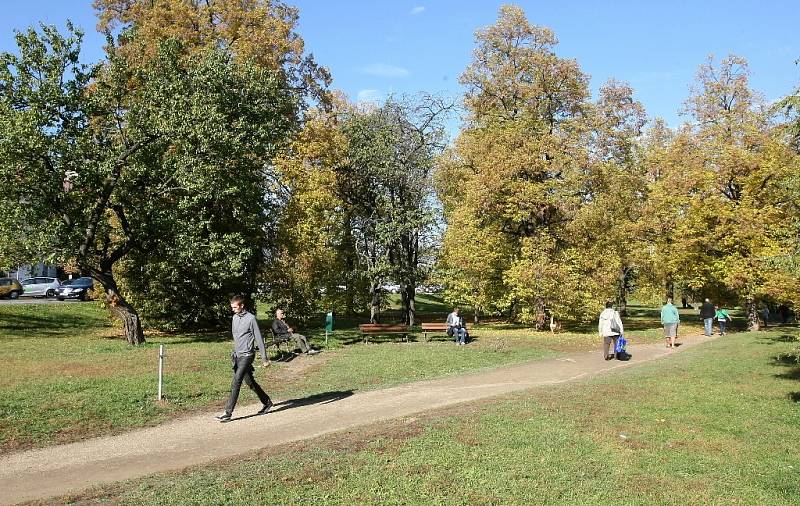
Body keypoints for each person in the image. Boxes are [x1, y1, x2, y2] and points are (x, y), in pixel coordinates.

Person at [215, 295, 273, 423]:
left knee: (236, 381)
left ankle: (227, 413)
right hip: (238, 355)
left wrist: (264, 358)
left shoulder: (251, 319)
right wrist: (235, 354)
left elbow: (259, 338)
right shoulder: (235, 318)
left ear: (242, 306)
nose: (233, 309)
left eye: (235, 307)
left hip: (247, 355)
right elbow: (237, 337)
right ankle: (267, 402)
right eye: (232, 307)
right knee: (250, 382)